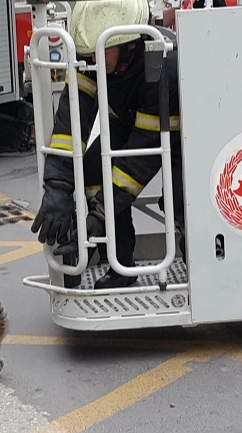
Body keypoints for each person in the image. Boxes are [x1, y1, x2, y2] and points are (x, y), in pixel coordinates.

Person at [30, 0, 185, 289]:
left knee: (181, 196)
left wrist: (99, 215)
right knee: (93, 170)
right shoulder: (94, 57)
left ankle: (198, 259)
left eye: (103, 49)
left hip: (178, 134)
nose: (93, 57)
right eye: (89, 50)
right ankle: (120, 265)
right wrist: (58, 186)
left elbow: (141, 158)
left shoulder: (161, 64)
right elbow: (71, 122)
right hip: (128, 122)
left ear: (130, 44)